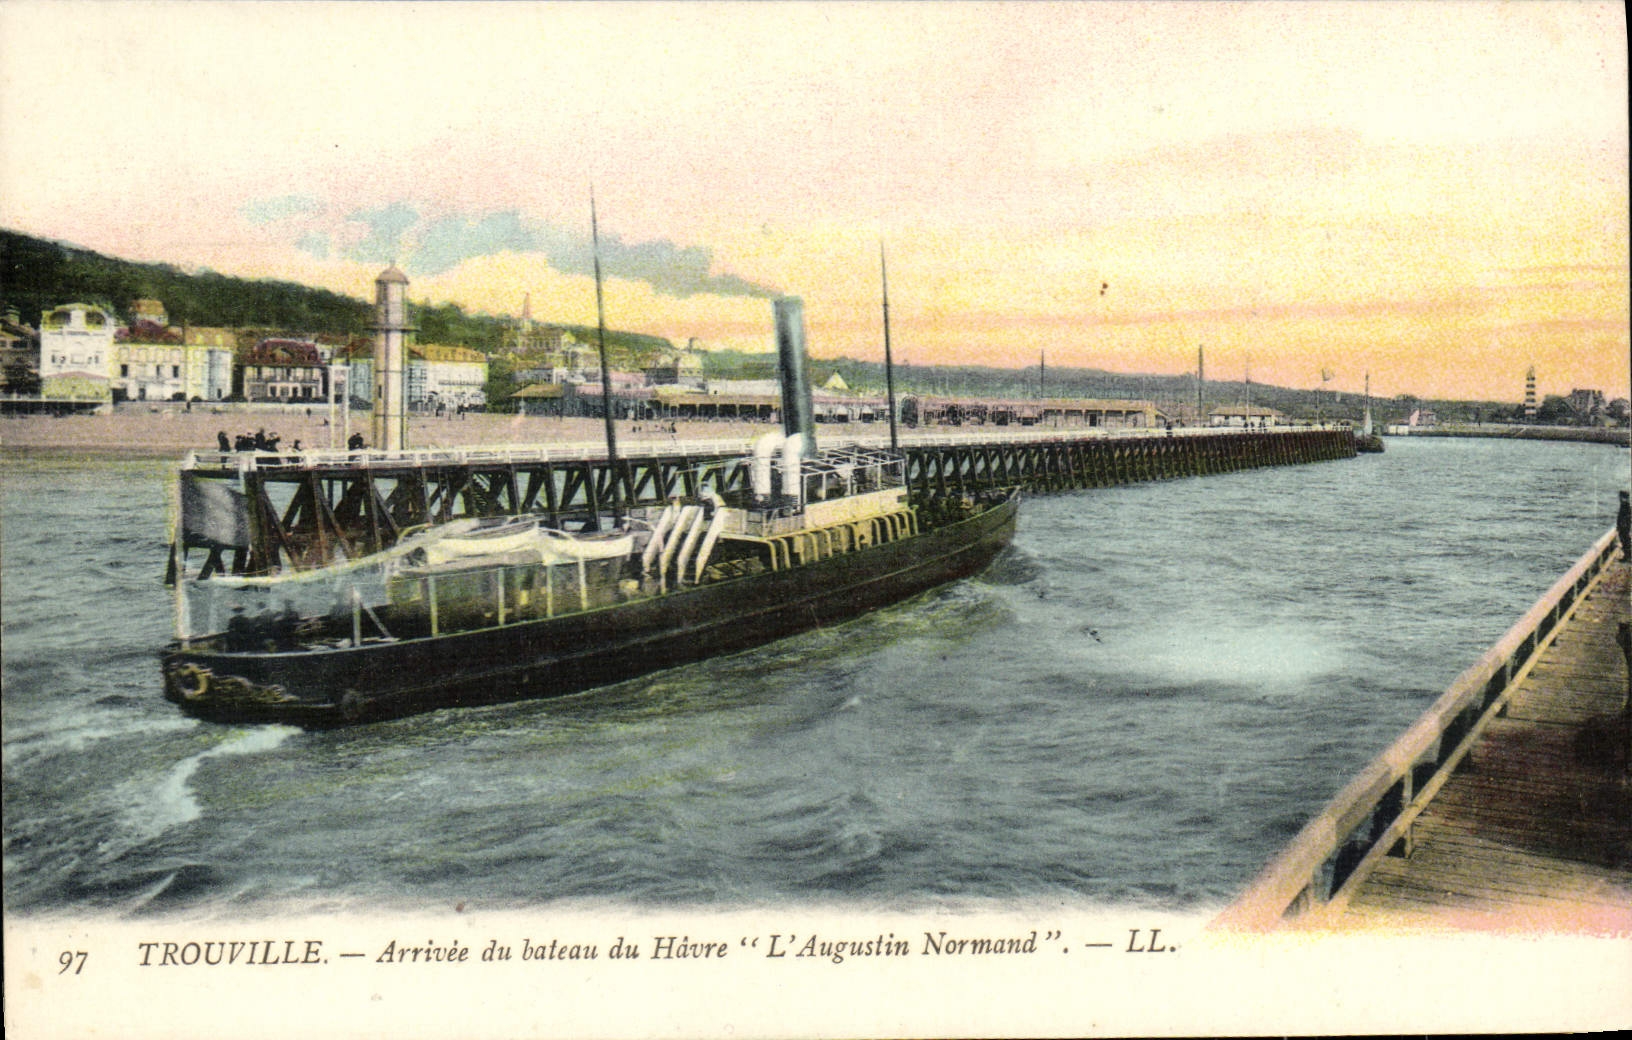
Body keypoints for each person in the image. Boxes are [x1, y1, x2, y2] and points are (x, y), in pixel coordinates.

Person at [1617, 490, 1630, 560]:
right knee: (1625, 541)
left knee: (1625, 541)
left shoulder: (1625, 506)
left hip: (1624, 527)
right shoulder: (1625, 505)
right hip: (1624, 527)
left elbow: (1625, 517)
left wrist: (1622, 526)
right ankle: (1627, 555)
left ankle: (1627, 556)